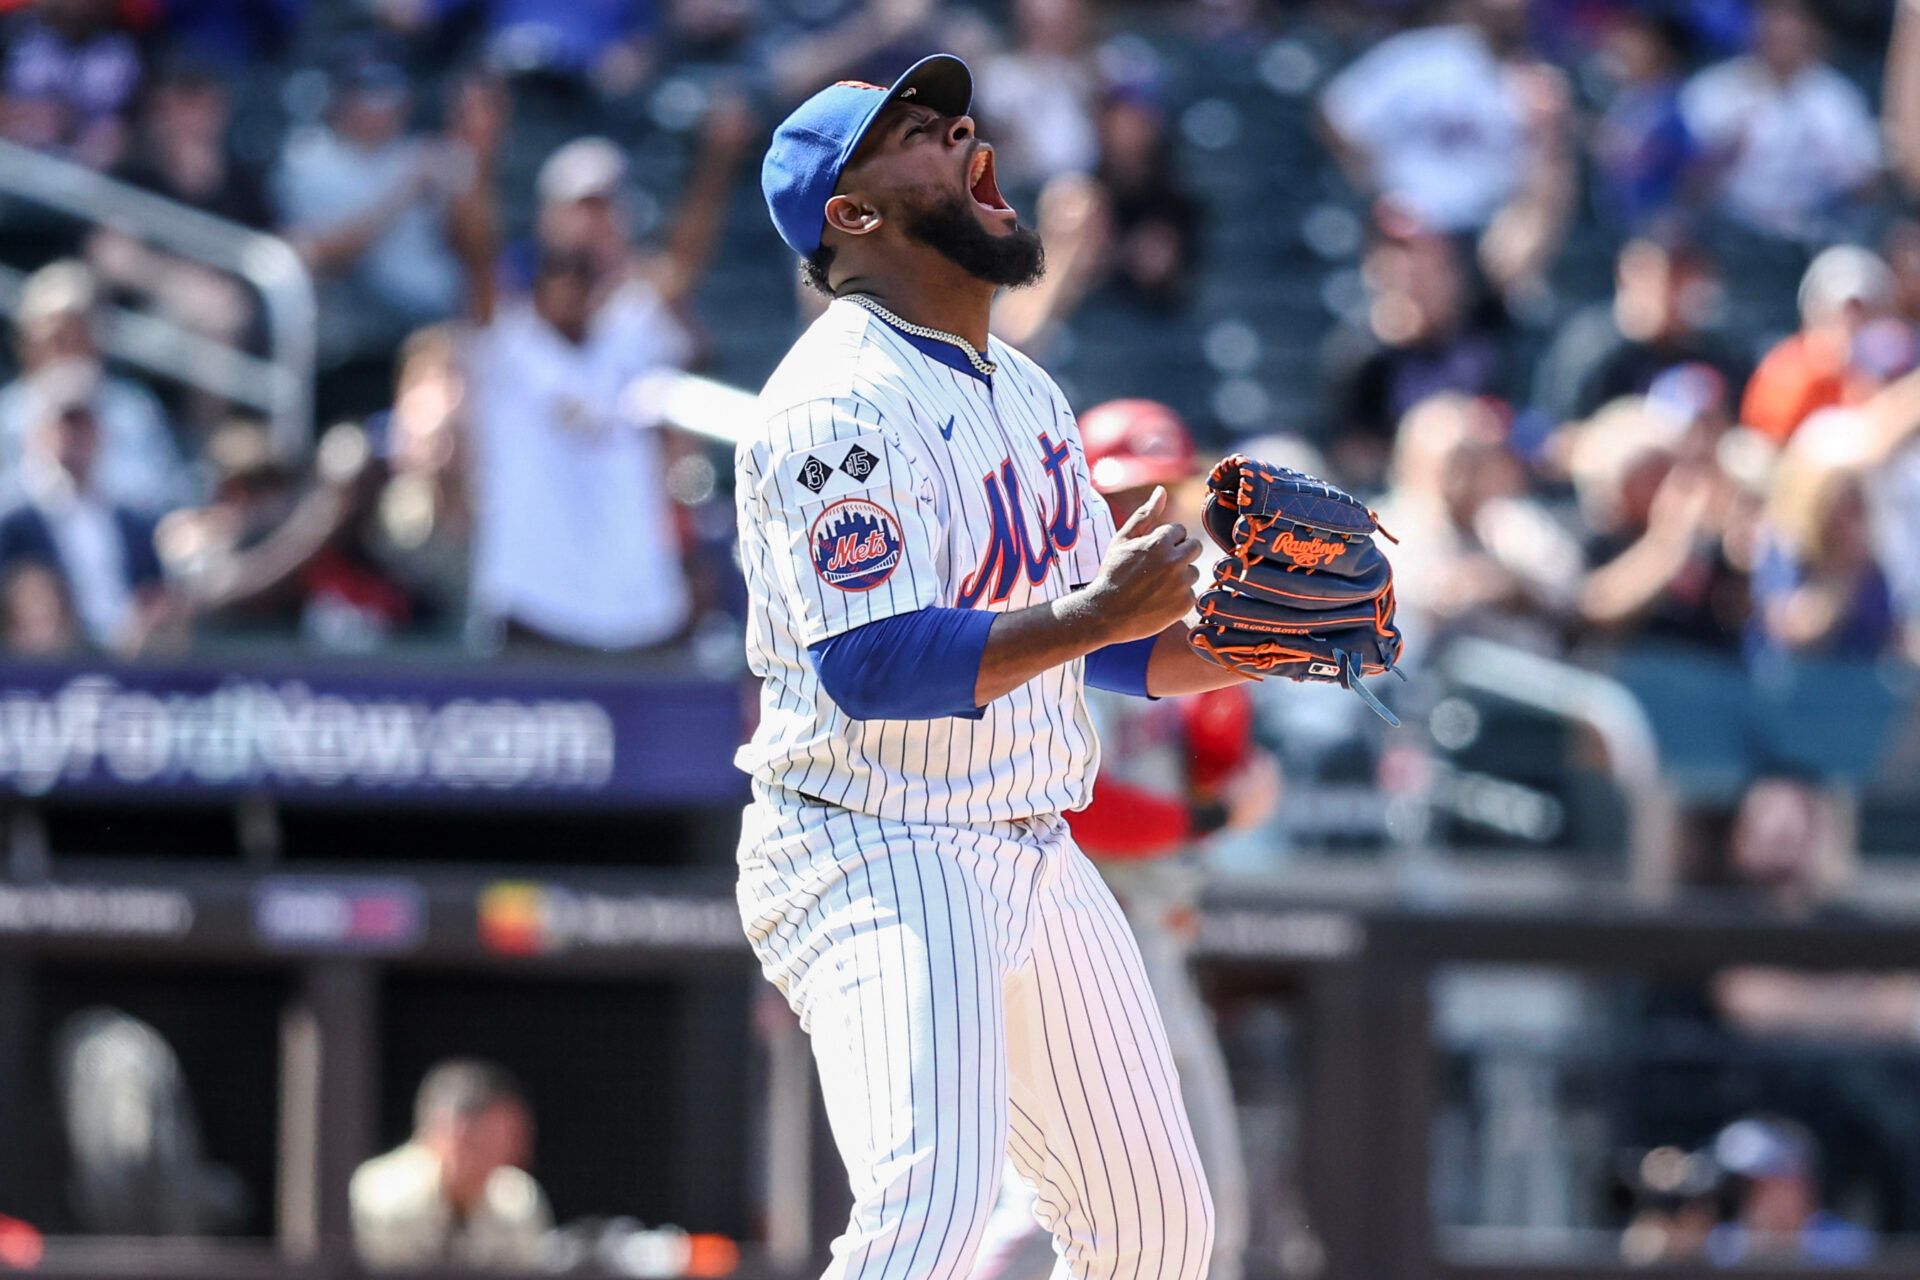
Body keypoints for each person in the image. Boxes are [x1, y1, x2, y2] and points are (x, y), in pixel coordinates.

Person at [738, 54, 1256, 1280]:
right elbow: (872, 662)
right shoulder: (835, 402)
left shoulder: (1021, 385)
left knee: (1155, 1229)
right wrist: (1088, 615)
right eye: (918, 133)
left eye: (955, 117)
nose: (963, 131)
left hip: (1028, 837)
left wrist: (1262, 638)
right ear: (852, 215)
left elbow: (1115, 644)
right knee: (931, 1210)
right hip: (875, 837)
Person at [971, 399, 1275, 1280]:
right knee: (1070, 1202)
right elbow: (1073, 803)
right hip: (1065, 915)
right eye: (1122, 492)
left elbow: (1219, 757)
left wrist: (1235, 754)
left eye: (1163, 488)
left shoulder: (1178, 611)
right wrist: (1213, 816)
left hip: (1152, 930)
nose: (1144, 511)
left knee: (1185, 1206)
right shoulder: (1056, 614)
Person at [451, 86, 753, 653]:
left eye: (605, 209)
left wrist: (718, 160)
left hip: (636, 611)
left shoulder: (632, 327)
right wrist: (479, 155)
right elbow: (475, 245)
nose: (573, 287)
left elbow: (684, 261)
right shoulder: (506, 339)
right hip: (530, 603)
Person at [273, 50, 468, 363]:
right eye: (372, 96)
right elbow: (326, 254)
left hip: (443, 302)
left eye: (392, 95)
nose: (387, 108)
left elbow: (470, 244)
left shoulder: (420, 150)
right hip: (371, 305)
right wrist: (406, 190)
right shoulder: (310, 155)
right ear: (342, 100)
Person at [0, 365, 177, 656]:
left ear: (99, 433)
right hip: (43, 672)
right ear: (38, 435)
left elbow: (156, 598)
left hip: (131, 668)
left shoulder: (136, 526)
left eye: (82, 425)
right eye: (62, 426)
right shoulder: (13, 526)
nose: (72, 437)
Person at [1680, 0, 1880, 244]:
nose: (1783, 46)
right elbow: (1682, 183)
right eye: (1774, 37)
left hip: (1813, 232)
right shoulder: (1714, 89)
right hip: (1730, 232)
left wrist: (1841, 163)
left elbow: (1869, 188)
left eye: (1793, 37)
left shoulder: (1837, 98)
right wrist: (1723, 153)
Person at [0, 260, 190, 515]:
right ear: (28, 344)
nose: (65, 351)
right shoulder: (7, 416)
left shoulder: (133, 411)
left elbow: (156, 496)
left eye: (77, 336)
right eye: (54, 339)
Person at [350, 1060, 551, 1272]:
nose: (513, 1150)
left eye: (513, 1137)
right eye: (486, 1137)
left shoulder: (518, 1202)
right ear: (441, 1128)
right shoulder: (380, 1195)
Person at [1532, 236, 1736, 428]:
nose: (1673, 293)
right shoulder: (1591, 348)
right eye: (1664, 278)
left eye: (1684, 279)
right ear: (1627, 277)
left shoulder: (1713, 354)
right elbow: (1563, 435)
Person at [1741, 246, 1896, 444]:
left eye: (1862, 311)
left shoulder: (1886, 368)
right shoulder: (1788, 369)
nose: (1852, 321)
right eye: (1845, 310)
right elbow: (1771, 441)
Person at [1705, 1117, 1874, 1265]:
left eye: (1764, 1184)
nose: (1753, 1196)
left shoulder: (1849, 1249)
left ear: (1802, 1183)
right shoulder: (1720, 1247)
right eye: (1744, 1187)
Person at [0, 0, 142, 170]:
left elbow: (130, 129)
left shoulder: (128, 51)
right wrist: (18, 114)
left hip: (82, 170)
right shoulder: (15, 27)